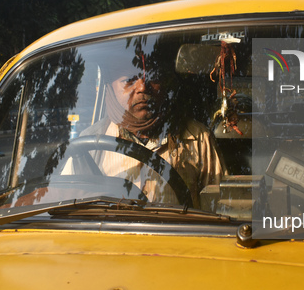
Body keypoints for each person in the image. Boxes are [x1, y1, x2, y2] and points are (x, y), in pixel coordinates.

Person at [79, 66, 224, 209]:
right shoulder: (89, 143)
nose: (142, 87)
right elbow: (72, 209)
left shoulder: (198, 138)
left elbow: (219, 206)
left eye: (152, 77)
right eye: (128, 80)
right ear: (110, 87)